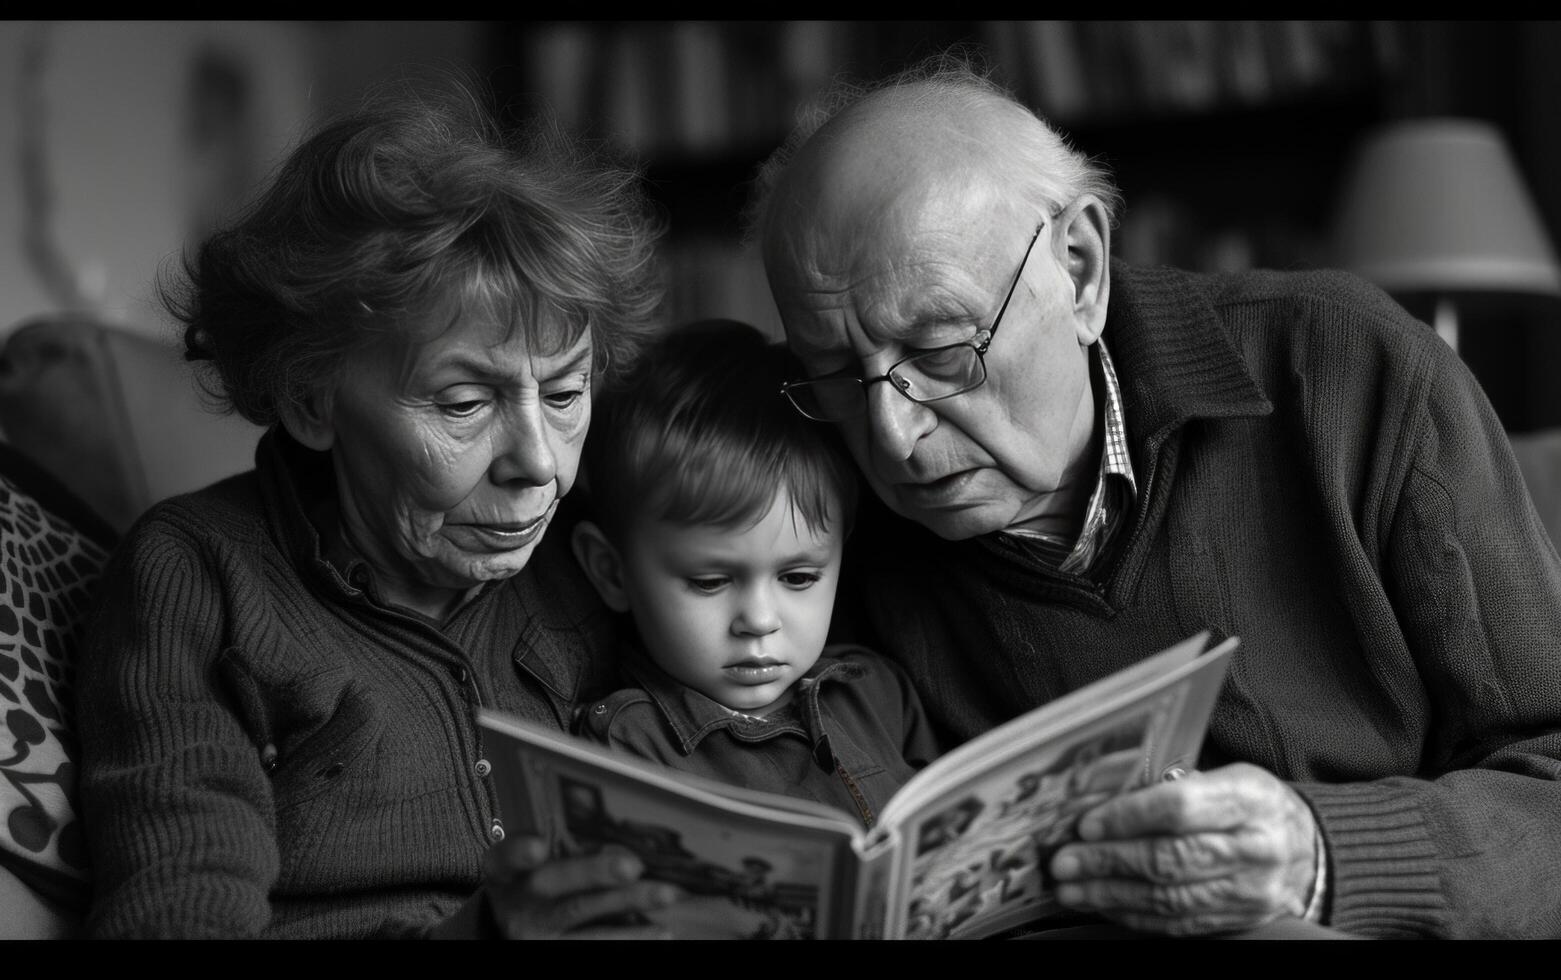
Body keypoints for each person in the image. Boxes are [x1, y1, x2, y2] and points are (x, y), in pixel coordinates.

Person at [743, 52, 1561, 939]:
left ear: (1081, 269)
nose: (892, 439)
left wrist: (1318, 855)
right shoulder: (807, 493)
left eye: (943, 352)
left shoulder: (1354, 373)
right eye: (832, 371)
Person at [73, 73, 686, 939]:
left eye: (563, 393)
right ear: (310, 401)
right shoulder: (197, 575)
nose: (539, 466)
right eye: (464, 404)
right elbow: (179, 912)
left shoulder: (596, 559)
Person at [568, 319, 940, 826]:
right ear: (612, 573)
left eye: (799, 578)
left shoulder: (875, 693)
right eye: (710, 582)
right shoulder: (626, 748)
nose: (760, 621)